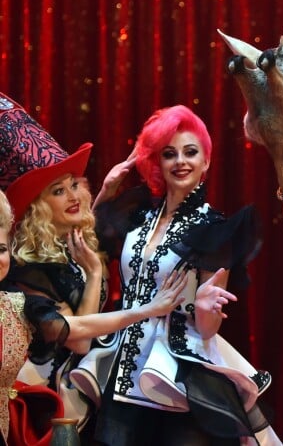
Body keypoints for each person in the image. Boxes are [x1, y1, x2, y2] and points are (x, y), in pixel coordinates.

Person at [84, 104, 281, 446]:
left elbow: (207, 328)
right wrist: (107, 189)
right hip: (126, 363)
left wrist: (205, 305)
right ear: (157, 162)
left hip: (177, 368)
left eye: (191, 152)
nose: (180, 162)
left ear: (206, 161)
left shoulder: (213, 227)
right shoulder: (138, 212)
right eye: (169, 154)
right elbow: (87, 243)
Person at [0, 188, 187, 446]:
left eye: (1, 249)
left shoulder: (15, 302)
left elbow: (77, 326)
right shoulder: (28, 276)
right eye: (58, 190)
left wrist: (147, 309)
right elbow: (78, 338)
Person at [0, 91, 109, 432]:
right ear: (37, 207)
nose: (74, 196)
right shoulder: (29, 268)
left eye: (73, 185)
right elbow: (78, 338)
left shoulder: (70, 247)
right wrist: (94, 273)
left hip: (80, 392)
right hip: (46, 407)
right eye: (58, 191)